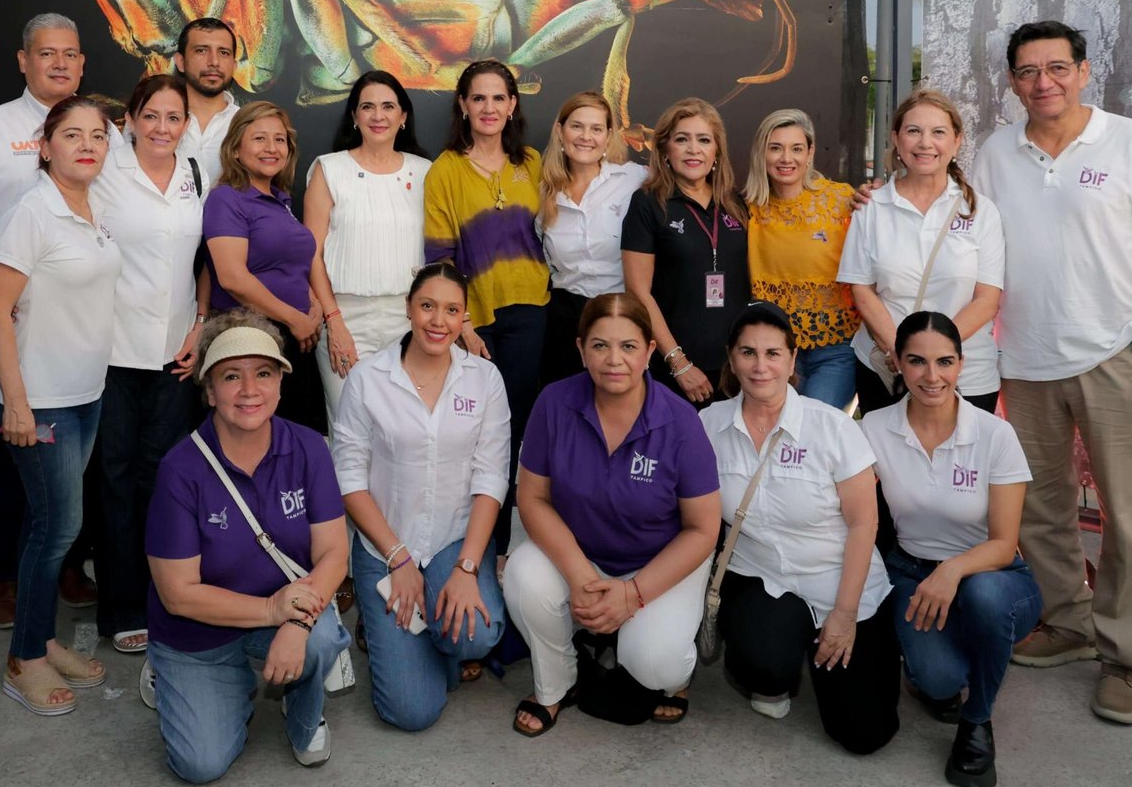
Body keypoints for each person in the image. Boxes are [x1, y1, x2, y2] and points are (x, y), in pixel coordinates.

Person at [978, 21, 1132, 725]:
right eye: (1027, 71)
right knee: (1040, 509)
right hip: (1024, 361)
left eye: (1056, 67)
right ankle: (1068, 623)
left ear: (1082, 71)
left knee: (1130, 521)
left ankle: (1128, 658)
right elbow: (958, 225)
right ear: (1012, 82)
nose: (1042, 82)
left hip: (1118, 359)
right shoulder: (995, 153)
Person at [0, 13, 102, 627]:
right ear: (23, 60)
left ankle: (68, 564)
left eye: (70, 54)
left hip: (76, 309)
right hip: (5, 310)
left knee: (75, 455)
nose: (59, 63)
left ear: (82, 64)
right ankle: (6, 574)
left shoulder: (102, 131)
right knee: (12, 447)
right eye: (46, 53)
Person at [504, 293, 721, 736]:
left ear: (650, 351)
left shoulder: (682, 422)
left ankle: (674, 676)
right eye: (600, 345)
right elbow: (533, 498)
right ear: (581, 349)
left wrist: (634, 594)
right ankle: (557, 683)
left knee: (654, 666)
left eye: (628, 346)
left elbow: (703, 529)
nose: (614, 360)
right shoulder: (554, 403)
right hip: (581, 553)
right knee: (523, 577)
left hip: (658, 562)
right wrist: (580, 575)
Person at [145, 313, 350, 779]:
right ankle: (187, 677)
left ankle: (302, 713)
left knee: (318, 638)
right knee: (200, 765)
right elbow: (178, 594)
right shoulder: (180, 469)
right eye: (231, 376)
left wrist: (296, 623)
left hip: (288, 610)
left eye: (263, 373)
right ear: (209, 390)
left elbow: (334, 554)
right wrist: (272, 611)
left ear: (280, 382)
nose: (249, 390)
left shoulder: (309, 447)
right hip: (198, 631)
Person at [700, 302, 898, 755]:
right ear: (731, 359)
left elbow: (864, 523)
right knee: (762, 662)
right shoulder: (708, 425)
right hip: (762, 575)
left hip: (839, 580)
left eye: (773, 353)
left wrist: (843, 615)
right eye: (748, 352)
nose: (760, 366)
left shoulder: (833, 427)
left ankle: (830, 645)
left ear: (792, 360)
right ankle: (779, 667)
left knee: (863, 734)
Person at [0, 95, 121, 715]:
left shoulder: (92, 208)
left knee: (54, 524)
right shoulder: (32, 213)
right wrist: (17, 403)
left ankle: (40, 638)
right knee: (56, 527)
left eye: (98, 135)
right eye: (72, 134)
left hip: (84, 393)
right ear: (45, 147)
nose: (87, 144)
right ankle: (24, 659)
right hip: (40, 402)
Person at [864, 311, 1040, 787]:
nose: (932, 376)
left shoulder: (994, 434)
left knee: (984, 599)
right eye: (917, 361)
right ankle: (959, 654)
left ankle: (977, 721)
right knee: (940, 681)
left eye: (944, 361)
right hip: (911, 570)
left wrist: (951, 571)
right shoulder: (874, 428)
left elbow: (1003, 544)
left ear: (961, 364)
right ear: (898, 363)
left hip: (993, 575)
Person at [331, 263, 510, 730]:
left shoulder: (484, 380)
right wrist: (398, 558)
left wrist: (467, 569)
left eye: (451, 310)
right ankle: (400, 632)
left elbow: (492, 478)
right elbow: (349, 478)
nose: (438, 321)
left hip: (454, 541)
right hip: (386, 547)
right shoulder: (368, 378)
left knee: (476, 634)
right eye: (428, 306)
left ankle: (435, 636)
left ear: (464, 316)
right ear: (409, 308)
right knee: (411, 712)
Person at [88, 73, 211, 654]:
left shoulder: (194, 173)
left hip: (174, 356)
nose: (163, 127)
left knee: (161, 478)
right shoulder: (103, 172)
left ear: (186, 124)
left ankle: (167, 595)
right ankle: (120, 607)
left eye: (174, 117)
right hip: (110, 351)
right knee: (113, 479)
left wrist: (201, 323)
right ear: (131, 120)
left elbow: (204, 259)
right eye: (152, 116)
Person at [424, 60, 549, 552]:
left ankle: (505, 547)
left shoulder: (534, 163)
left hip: (532, 311)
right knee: (475, 432)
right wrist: (464, 325)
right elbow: (440, 257)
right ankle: (468, 542)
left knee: (517, 430)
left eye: (499, 98)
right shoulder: (445, 170)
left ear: (513, 104)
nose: (489, 108)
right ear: (463, 105)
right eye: (479, 98)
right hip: (476, 321)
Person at [838, 89, 1004, 415]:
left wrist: (934, 353)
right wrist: (901, 351)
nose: (925, 143)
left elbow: (987, 299)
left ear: (957, 141)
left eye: (938, 132)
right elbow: (862, 289)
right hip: (887, 371)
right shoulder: (872, 207)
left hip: (967, 376)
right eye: (914, 131)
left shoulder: (980, 211)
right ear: (896, 139)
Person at [304, 70, 432, 423]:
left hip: (408, 320)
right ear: (354, 116)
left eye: (388, 106)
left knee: (405, 425)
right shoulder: (329, 169)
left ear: (403, 116)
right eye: (368, 107)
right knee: (350, 425)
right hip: (345, 318)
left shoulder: (425, 172)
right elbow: (311, 253)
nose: (378, 116)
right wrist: (334, 322)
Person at [202, 101, 328, 435]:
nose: (271, 148)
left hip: (294, 339)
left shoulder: (280, 200)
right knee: (256, 441)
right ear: (236, 149)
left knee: (297, 440)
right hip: (253, 341)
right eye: (259, 138)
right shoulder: (227, 199)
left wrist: (312, 302)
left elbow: (289, 263)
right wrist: (296, 319)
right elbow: (232, 277)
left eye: (279, 139)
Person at [621, 98, 749, 405]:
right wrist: (679, 363)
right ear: (665, 149)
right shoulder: (647, 204)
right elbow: (638, 291)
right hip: (678, 370)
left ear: (717, 151)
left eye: (704, 140)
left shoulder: (736, 203)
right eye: (682, 139)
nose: (694, 149)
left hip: (738, 369)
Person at [742, 109, 861, 409]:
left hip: (835, 348)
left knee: (813, 427)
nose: (786, 158)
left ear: (810, 153)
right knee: (777, 430)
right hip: (773, 352)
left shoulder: (841, 200)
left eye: (796, 148)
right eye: (776, 148)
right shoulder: (746, 209)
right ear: (761, 153)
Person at [536, 91, 647, 386]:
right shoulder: (543, 192)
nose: (586, 137)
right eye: (577, 126)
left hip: (623, 314)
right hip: (565, 323)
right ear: (560, 131)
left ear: (608, 135)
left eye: (596, 128)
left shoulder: (634, 179)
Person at [173, 18, 240, 164]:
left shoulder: (247, 125)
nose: (214, 62)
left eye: (224, 53)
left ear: (234, 66)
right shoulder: (153, 122)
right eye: (201, 51)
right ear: (180, 62)